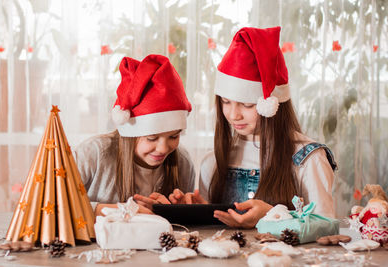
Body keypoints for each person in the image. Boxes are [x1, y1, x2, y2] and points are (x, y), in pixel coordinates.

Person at [170, 27, 337, 228]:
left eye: (247, 105)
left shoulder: (308, 159)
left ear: (273, 105)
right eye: (225, 101)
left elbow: (327, 227)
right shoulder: (212, 162)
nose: (233, 115)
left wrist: (273, 216)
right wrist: (201, 213)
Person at [74, 54, 195, 216]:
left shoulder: (183, 162)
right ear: (130, 134)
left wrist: (176, 212)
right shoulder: (93, 154)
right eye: (151, 138)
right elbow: (50, 205)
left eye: (173, 136)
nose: (163, 148)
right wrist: (113, 211)